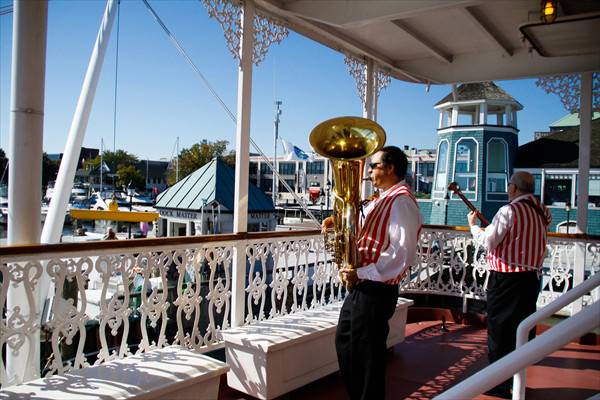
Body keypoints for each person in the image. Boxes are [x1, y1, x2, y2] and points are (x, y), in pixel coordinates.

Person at [324, 146, 422, 400]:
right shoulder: (384, 198)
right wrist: (337, 219)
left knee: (364, 355)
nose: (368, 171)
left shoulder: (401, 201)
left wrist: (362, 272)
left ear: (390, 168)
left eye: (373, 165)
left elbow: (403, 253)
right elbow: (369, 226)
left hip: (375, 287)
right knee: (351, 345)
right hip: (365, 286)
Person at [467, 171, 551, 398]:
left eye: (509, 186)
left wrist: (473, 226)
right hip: (530, 279)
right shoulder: (542, 211)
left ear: (514, 188)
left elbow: (489, 242)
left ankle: (498, 385)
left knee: (500, 332)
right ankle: (516, 379)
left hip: (506, 280)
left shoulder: (508, 210)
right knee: (521, 332)